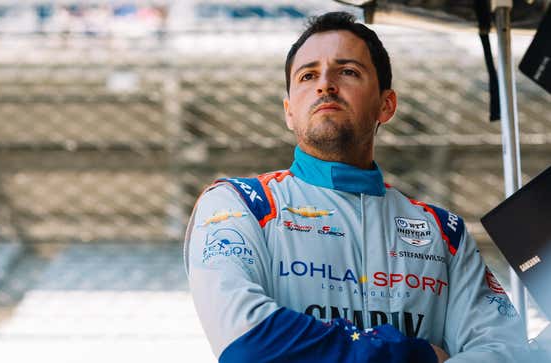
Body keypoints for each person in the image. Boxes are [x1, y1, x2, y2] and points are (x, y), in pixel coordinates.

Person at [184, 11, 528, 363]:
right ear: (289, 111)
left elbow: (505, 352)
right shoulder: (240, 205)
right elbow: (249, 341)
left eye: (347, 72)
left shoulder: (444, 234)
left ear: (386, 104)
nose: (325, 85)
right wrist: (413, 354)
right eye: (308, 75)